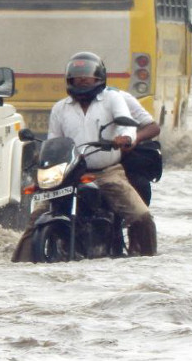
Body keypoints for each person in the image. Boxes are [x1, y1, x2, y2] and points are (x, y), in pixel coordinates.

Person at [12, 52, 158, 261]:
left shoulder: (112, 98)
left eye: (86, 75)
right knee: (35, 218)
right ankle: (20, 266)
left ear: (99, 77)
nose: (81, 79)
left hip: (106, 173)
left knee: (141, 216)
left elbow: (126, 125)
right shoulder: (60, 108)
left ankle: (149, 261)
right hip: (68, 173)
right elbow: (54, 141)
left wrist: (124, 138)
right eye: (76, 75)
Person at [108, 87, 161, 206]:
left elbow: (153, 127)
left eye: (88, 78)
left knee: (139, 190)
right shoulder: (65, 107)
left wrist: (132, 139)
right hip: (87, 162)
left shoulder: (120, 98)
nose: (82, 82)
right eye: (76, 78)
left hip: (120, 160)